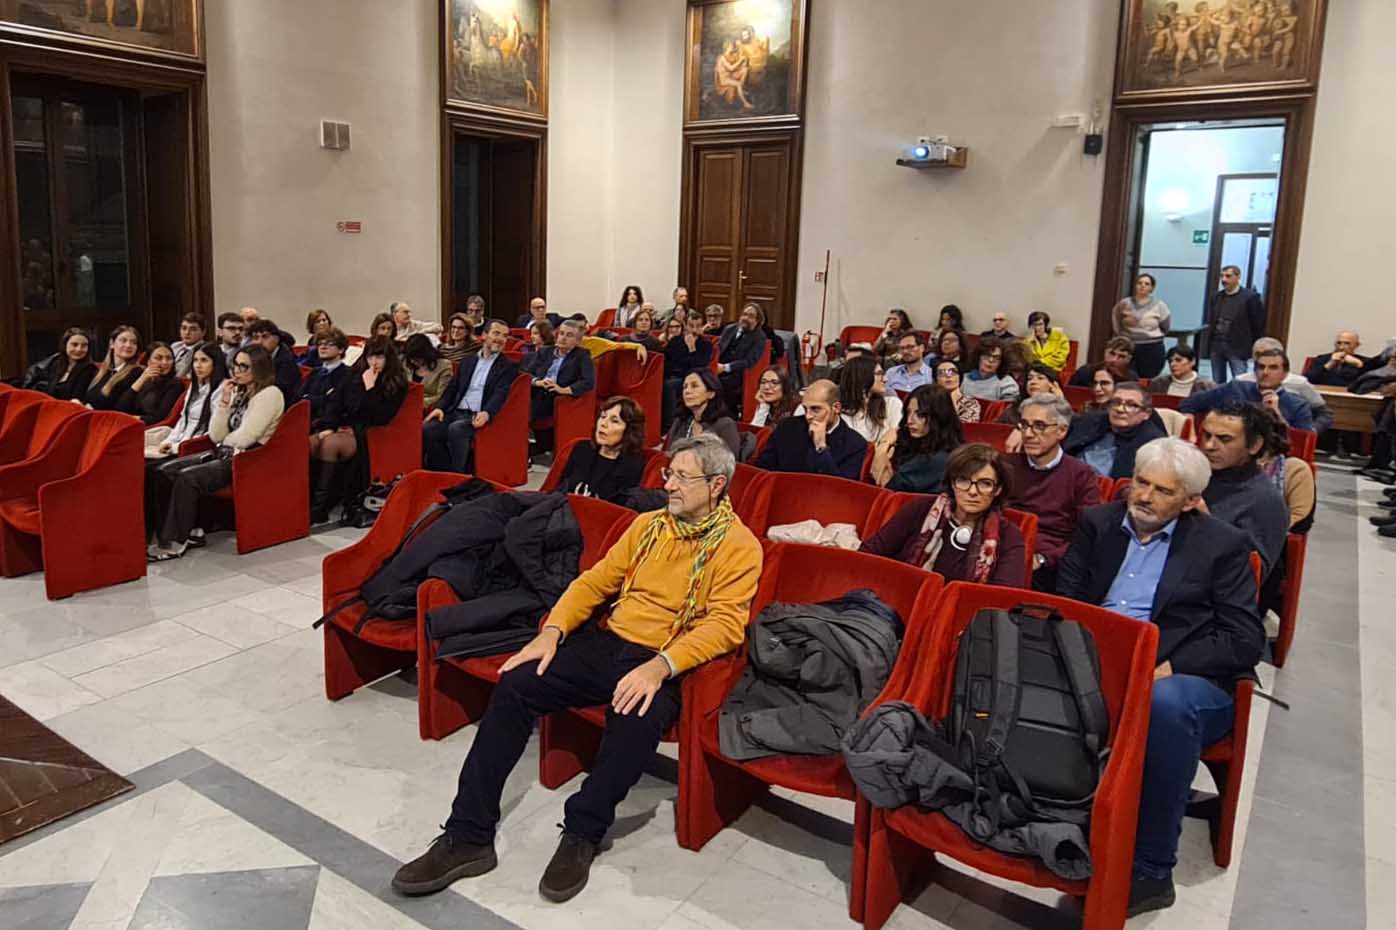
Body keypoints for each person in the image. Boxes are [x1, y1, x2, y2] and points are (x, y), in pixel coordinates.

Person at [392, 433, 761, 903]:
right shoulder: (649, 526)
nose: (669, 484)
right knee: (517, 684)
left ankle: (583, 831)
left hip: (664, 659)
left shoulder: (738, 546)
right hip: (609, 642)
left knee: (635, 723)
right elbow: (594, 582)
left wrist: (662, 666)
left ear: (716, 485)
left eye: (683, 477)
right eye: (669, 473)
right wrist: (553, 632)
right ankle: (468, 834)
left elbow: (726, 625)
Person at [1055, 437, 1262, 918]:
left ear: (1190, 501)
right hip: (1099, 658)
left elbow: (1242, 638)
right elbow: (1069, 599)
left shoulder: (1222, 545)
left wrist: (1166, 665)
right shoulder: (1099, 523)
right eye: (1140, 484)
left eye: (1162, 491)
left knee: (1165, 706)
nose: (1144, 497)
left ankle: (1150, 869)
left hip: (1183, 673)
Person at [146, 345, 286, 561]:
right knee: (164, 471)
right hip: (226, 453)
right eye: (235, 365)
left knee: (187, 477)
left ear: (259, 368)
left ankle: (175, 541)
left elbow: (246, 438)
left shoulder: (270, 394)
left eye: (244, 366)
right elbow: (216, 434)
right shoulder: (241, 392)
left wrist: (225, 442)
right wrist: (224, 403)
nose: (237, 371)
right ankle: (190, 530)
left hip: (249, 458)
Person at [861, 443, 1026, 586]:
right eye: (963, 481)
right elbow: (869, 554)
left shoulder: (1010, 536)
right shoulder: (920, 508)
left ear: (997, 490)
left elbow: (1002, 602)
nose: (972, 491)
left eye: (985, 484)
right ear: (952, 483)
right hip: (899, 606)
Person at [1005, 394, 1101, 593]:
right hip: (1005, 548)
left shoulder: (1081, 475)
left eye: (1039, 426)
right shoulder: (1006, 467)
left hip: (1049, 564)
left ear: (1062, 431)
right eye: (1024, 425)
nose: (1029, 434)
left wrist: (1045, 558)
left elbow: (1088, 535)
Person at [308, 336, 409, 524]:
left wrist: (370, 388)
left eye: (379, 357)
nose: (374, 362)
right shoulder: (353, 374)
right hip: (343, 426)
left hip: (367, 433)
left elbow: (380, 418)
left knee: (330, 445)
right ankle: (309, 501)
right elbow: (335, 402)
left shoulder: (396, 382)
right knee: (312, 442)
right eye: (371, 357)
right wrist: (330, 426)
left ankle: (319, 508)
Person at [1196, 403, 1290, 579]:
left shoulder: (1264, 500)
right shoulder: (1193, 476)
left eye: (1224, 439)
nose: (1209, 445)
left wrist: (1206, 524)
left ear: (1254, 445)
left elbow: (1252, 576)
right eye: (1207, 435)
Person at [423, 320, 519, 473]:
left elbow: (501, 393)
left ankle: (458, 475)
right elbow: (452, 389)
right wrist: (439, 408)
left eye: (505, 336)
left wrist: (487, 413)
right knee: (428, 429)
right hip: (456, 411)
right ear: (484, 335)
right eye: (496, 333)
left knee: (456, 429)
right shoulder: (468, 361)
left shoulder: (508, 367)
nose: (501, 339)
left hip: (476, 415)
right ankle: (441, 472)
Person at [1180, 345, 1314, 431]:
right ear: (1254, 371)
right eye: (1261, 367)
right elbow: (1188, 404)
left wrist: (1276, 414)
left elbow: (1300, 444)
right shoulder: (1235, 388)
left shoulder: (1298, 405)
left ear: (1285, 374)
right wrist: (1189, 423)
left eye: (1273, 368)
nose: (1265, 372)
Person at [754, 380, 867, 480]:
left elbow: (838, 489)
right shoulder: (787, 426)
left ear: (836, 408)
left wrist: (821, 448)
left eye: (815, 409)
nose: (808, 416)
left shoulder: (855, 444)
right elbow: (762, 468)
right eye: (805, 409)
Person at [1063, 381, 1167, 479]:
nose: (1120, 409)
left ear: (1146, 414)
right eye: (1116, 402)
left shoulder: (1153, 444)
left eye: (1131, 405)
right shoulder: (1090, 421)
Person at [870, 384, 963, 492]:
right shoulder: (913, 442)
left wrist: (882, 448)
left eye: (920, 415)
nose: (910, 421)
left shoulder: (935, 460)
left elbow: (886, 490)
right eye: (908, 412)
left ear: (938, 417)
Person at [554, 398, 647, 503]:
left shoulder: (632, 465)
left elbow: (620, 509)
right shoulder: (582, 449)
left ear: (630, 430)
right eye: (603, 417)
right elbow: (559, 490)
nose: (603, 424)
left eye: (614, 421)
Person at [146, 342, 228, 459]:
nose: (198, 365)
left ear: (215, 363)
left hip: (199, 447)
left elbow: (212, 430)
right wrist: (168, 442)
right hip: (180, 443)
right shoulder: (194, 386)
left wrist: (177, 446)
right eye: (195, 360)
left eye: (204, 360)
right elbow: (182, 419)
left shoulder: (224, 388)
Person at [1233, 338, 1331, 434]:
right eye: (1258, 355)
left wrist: (1311, 433)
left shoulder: (1298, 383)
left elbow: (1324, 414)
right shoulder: (1240, 381)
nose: (1262, 359)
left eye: (1269, 354)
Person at [1205, 265, 1266, 383]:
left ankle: (1239, 402)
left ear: (1238, 277)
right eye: (1222, 276)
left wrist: (1254, 345)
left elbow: (1257, 324)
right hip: (1217, 344)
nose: (1224, 280)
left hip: (1238, 346)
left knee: (1240, 380)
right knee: (1217, 381)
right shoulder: (1216, 297)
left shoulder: (1250, 297)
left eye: (1228, 276)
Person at [666, 370, 740, 457]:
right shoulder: (680, 421)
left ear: (711, 394)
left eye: (694, 386)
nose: (687, 391)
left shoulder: (725, 424)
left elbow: (731, 462)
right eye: (685, 387)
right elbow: (669, 454)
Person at [714, 303, 769, 419]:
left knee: (722, 385)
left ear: (757, 320)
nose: (746, 318)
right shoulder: (730, 329)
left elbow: (749, 362)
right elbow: (718, 349)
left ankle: (726, 420)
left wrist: (725, 367)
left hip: (738, 374)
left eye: (750, 316)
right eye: (744, 314)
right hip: (717, 368)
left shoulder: (759, 337)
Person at [662, 312, 716, 429]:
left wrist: (692, 349)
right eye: (691, 326)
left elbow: (699, 368)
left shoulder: (706, 344)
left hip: (691, 378)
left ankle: (670, 427)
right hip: (673, 375)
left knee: (670, 386)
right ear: (685, 325)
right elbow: (667, 361)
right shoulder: (676, 340)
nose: (694, 330)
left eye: (698, 326)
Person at [1112, 274, 1172, 378]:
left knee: (1148, 379)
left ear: (1152, 288)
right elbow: (1116, 320)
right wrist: (1121, 337)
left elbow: (1165, 326)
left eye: (1146, 284)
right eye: (1139, 283)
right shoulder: (1124, 303)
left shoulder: (1160, 305)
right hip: (1128, 346)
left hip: (1152, 348)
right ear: (1135, 286)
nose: (1142, 286)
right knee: (1127, 377)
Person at [112, 342, 183, 425]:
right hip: (128, 423)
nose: (164, 362)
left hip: (149, 426)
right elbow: (120, 408)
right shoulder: (139, 377)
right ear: (148, 361)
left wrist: (133, 418)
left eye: (169, 358)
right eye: (159, 358)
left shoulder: (175, 385)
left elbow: (160, 417)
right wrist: (142, 379)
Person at [838, 355, 904, 443]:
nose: (885, 379)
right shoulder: (840, 412)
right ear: (863, 376)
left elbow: (895, 438)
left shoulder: (892, 404)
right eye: (879, 374)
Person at [23, 326, 96, 401]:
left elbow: (76, 398)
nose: (79, 349)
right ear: (65, 345)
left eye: (84, 346)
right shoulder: (56, 362)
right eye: (74, 344)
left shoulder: (89, 369)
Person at [301, 327, 353, 428]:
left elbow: (338, 404)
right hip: (307, 424)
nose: (322, 347)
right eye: (320, 344)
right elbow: (300, 398)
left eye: (329, 344)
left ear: (341, 349)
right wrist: (324, 398)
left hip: (333, 426)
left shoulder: (349, 374)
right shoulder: (314, 373)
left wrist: (310, 398)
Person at [85, 325, 144, 410]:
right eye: (123, 340)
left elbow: (119, 406)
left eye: (134, 342)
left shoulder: (137, 372)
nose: (128, 345)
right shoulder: (101, 371)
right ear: (112, 344)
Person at [246, 319, 302, 402]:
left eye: (265, 337)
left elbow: (280, 392)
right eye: (256, 338)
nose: (259, 342)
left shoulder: (286, 362)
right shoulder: (256, 357)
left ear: (277, 339)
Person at [402, 334, 455, 410]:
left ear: (426, 354)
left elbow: (442, 396)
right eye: (411, 358)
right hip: (407, 404)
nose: (413, 361)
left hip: (429, 407)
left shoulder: (443, 366)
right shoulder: (407, 363)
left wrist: (418, 402)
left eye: (417, 359)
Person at [961, 338, 1021, 403]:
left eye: (996, 358)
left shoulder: (1007, 384)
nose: (991, 360)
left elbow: (1007, 411)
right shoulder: (964, 379)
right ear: (978, 357)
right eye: (987, 355)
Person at [1069, 336, 1138, 387]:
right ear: (1105, 352)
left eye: (1121, 356)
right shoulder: (1086, 372)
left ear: (1128, 359)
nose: (1114, 360)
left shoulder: (1131, 379)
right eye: (1112, 353)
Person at [1148, 345, 1215, 397]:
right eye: (1170, 361)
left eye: (1178, 360)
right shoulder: (1157, 384)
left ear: (1192, 361)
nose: (1172, 364)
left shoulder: (1207, 387)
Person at [171, 313, 207, 378]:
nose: (187, 332)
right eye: (184, 328)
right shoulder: (175, 346)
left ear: (203, 332)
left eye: (193, 329)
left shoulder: (206, 350)